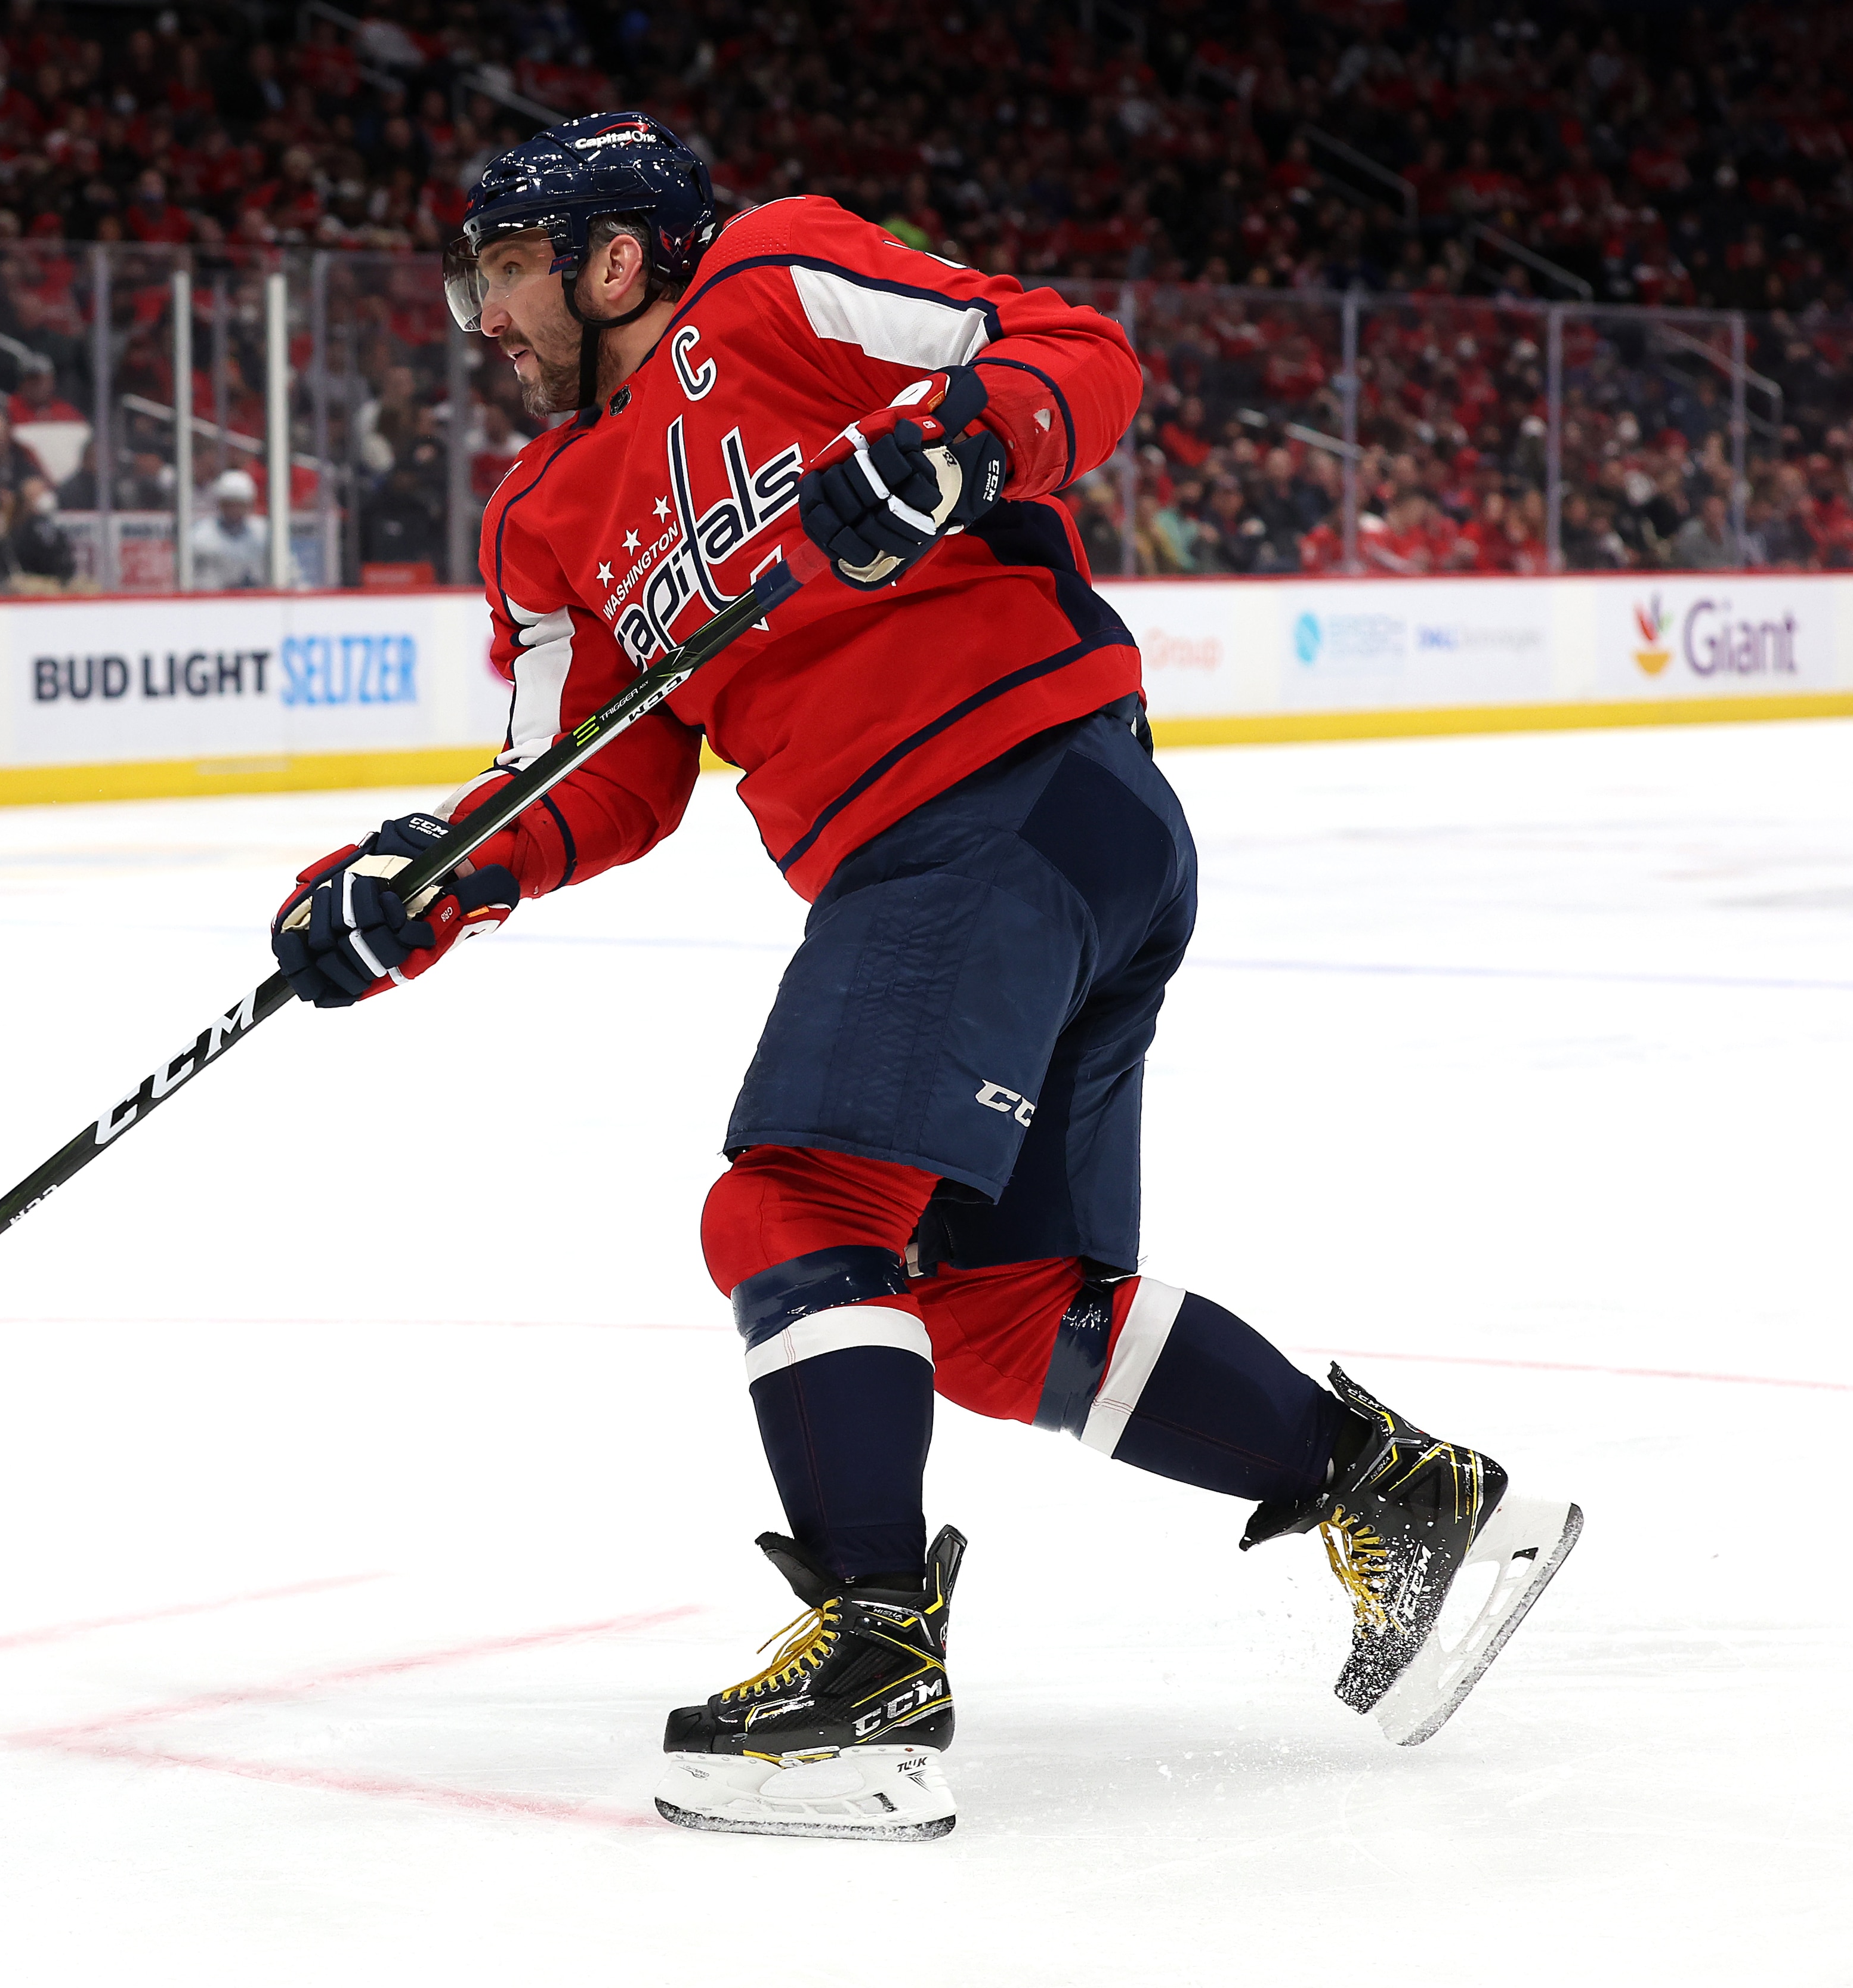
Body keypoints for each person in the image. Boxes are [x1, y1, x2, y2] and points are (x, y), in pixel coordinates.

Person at [267, 112, 1582, 1841]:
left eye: (506, 273)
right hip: (1022, 854)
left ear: (611, 256)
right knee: (991, 1308)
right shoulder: (542, 517)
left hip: (1012, 802)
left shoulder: (771, 279)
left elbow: (1075, 354)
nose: (483, 318)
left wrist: (967, 443)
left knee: (793, 1205)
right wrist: (420, 882)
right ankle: (1399, 1494)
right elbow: (598, 769)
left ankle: (873, 1659)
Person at [186, 468, 269, 588]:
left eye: (240, 503)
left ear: (250, 504)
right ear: (220, 503)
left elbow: (289, 572)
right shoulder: (200, 535)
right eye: (230, 503)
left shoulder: (264, 533)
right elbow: (187, 578)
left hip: (258, 601)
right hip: (211, 602)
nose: (235, 509)